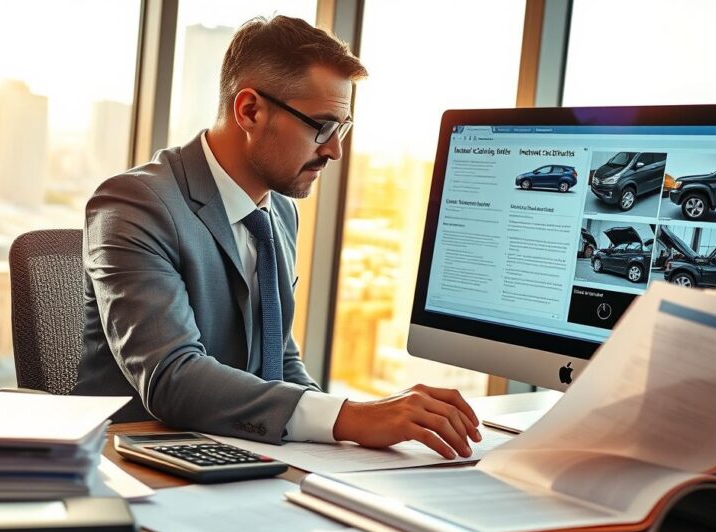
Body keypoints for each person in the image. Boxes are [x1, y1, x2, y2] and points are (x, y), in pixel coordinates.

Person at [75, 15, 481, 460]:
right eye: (322, 127)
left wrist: (351, 431)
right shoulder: (135, 203)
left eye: (342, 128)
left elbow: (279, 358)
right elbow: (174, 377)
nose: (334, 150)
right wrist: (353, 417)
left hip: (239, 455)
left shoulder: (278, 210)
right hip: (136, 466)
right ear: (249, 110)